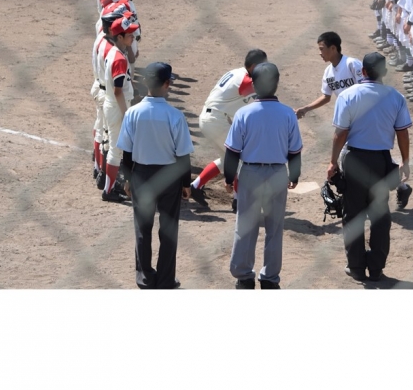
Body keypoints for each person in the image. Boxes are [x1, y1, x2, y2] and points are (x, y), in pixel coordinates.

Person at [327, 52, 412, 282]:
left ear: (363, 71)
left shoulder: (348, 95)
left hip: (355, 159)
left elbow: (340, 134)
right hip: (381, 162)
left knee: (353, 215)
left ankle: (356, 267)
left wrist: (333, 162)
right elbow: (402, 133)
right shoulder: (395, 97)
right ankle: (376, 269)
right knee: (380, 216)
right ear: (384, 72)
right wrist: (405, 161)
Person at [223, 62, 303, 289]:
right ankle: (269, 278)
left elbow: (232, 152)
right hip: (277, 173)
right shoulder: (288, 114)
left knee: (245, 226)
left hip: (250, 173)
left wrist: (229, 178)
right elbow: (295, 151)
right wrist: (294, 175)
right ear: (276, 83)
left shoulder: (244, 113)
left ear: (254, 85)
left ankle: (244, 276)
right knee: (274, 229)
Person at [117, 62, 194, 289]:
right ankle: (165, 279)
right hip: (169, 176)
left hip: (141, 175)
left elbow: (126, 152)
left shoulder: (132, 113)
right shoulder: (175, 115)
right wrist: (186, 183)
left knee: (143, 229)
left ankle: (145, 278)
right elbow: (183, 154)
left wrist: (127, 179)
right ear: (167, 84)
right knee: (168, 229)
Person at [190, 49, 268, 210]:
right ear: (254, 66)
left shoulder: (238, 72)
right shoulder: (245, 80)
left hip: (213, 118)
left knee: (227, 159)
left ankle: (195, 186)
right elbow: (256, 94)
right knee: (242, 157)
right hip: (216, 120)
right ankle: (238, 200)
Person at [101, 15, 140, 202]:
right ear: (119, 37)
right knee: (116, 150)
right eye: (129, 34)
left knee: (117, 149)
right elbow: (118, 91)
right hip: (117, 107)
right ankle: (108, 191)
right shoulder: (119, 58)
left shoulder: (116, 52)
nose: (133, 37)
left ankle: (111, 185)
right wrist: (126, 114)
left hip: (115, 104)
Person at [293, 31, 363, 119]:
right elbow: (326, 96)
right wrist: (306, 109)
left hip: (362, 111)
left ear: (333, 48)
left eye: (322, 49)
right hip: (346, 113)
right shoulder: (328, 71)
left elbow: (366, 87)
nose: (320, 53)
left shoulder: (352, 64)